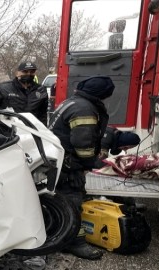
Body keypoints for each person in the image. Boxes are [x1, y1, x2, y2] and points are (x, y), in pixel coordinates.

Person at [49, 76, 115, 260]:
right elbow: (83, 144)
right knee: (72, 201)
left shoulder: (73, 102)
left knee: (61, 200)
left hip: (59, 159)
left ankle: (59, 234)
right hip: (68, 165)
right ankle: (74, 242)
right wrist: (93, 163)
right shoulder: (84, 109)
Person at [0, 61, 49, 125]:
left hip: (31, 131)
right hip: (8, 131)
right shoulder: (2, 88)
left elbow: (43, 115)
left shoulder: (41, 90)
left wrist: (44, 133)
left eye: (32, 72)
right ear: (17, 73)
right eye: (25, 72)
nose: (28, 74)